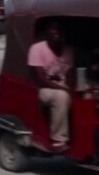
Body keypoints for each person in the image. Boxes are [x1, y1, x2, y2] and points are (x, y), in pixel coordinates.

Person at [27, 21, 74, 150]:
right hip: (44, 89)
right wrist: (64, 89)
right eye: (53, 29)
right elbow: (40, 78)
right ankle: (59, 138)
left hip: (63, 86)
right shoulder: (37, 49)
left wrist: (72, 88)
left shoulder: (68, 50)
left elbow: (70, 74)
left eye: (59, 30)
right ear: (46, 32)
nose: (57, 33)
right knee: (61, 96)